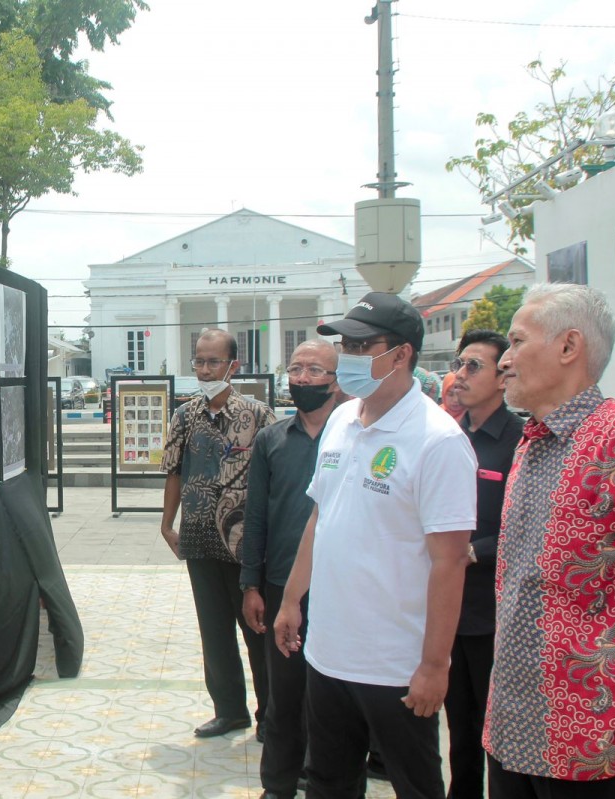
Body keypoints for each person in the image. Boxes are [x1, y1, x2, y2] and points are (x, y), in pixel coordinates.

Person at [273, 291, 477, 798]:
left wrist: (434, 666)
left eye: (362, 346)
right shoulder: (343, 420)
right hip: (329, 652)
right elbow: (321, 518)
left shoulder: (437, 440)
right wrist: (292, 600)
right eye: (346, 344)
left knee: (415, 785)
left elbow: (449, 561)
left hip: (396, 665)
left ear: (402, 354)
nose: (348, 356)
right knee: (328, 783)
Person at [484, 283, 615, 797]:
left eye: (517, 342)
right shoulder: (533, 443)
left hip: (594, 742)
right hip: (514, 726)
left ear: (569, 347)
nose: (504, 360)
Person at [161, 327, 274, 738]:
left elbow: (273, 481)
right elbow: (173, 471)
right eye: (199, 361)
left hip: (244, 544)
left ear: (233, 366)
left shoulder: (259, 416)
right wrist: (166, 524)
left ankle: (270, 715)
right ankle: (230, 710)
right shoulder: (184, 414)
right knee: (214, 630)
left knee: (256, 631)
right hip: (198, 539)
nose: (205, 371)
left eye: (214, 362)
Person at [242, 340, 341, 798]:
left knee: (332, 701)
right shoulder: (272, 440)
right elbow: (256, 516)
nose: (302, 378)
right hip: (283, 588)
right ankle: (278, 786)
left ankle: (323, 777)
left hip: (343, 590)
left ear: (337, 379)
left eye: (315, 369)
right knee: (283, 699)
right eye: (296, 368)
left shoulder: (354, 436)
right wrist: (251, 585)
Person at [445, 329, 523, 799]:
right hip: (449, 607)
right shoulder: (450, 436)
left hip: (493, 614)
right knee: (457, 727)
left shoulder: (519, 441)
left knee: (493, 727)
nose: (462, 374)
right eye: (460, 363)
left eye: (475, 365)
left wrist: (475, 550)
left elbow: (527, 524)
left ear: (502, 376)